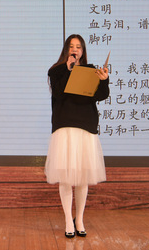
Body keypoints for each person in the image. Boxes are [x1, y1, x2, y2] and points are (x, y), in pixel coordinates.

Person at [44, 34, 110, 238]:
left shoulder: (91, 70)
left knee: (83, 178)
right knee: (65, 177)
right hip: (64, 126)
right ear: (66, 50)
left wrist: (104, 81)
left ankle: (79, 219)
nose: (75, 50)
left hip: (85, 125)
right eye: (72, 46)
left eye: (79, 47)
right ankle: (67, 220)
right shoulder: (56, 70)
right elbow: (58, 93)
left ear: (83, 51)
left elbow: (100, 95)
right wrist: (68, 69)